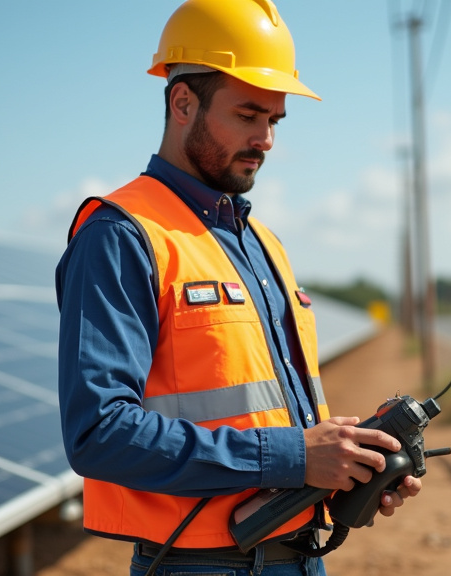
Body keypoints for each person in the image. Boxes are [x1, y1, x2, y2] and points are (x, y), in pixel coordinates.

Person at [55, 1, 422, 574]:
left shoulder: (263, 244)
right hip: (197, 565)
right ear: (183, 103)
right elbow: (99, 432)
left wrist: (348, 463)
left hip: (301, 555)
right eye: (248, 115)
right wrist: (295, 456)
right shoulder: (121, 235)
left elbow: (269, 421)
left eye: (275, 120)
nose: (266, 138)